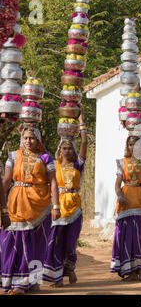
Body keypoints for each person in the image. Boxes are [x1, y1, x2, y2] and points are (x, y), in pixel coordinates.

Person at [1, 124, 60, 294]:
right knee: (10, 242)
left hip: (39, 206)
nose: (28, 141)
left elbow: (53, 182)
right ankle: (12, 281)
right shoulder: (13, 156)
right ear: (22, 139)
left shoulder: (45, 158)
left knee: (36, 244)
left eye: (32, 138)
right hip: (15, 203)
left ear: (38, 140)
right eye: (26, 138)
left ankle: (27, 283)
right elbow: (6, 181)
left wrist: (56, 205)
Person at [43, 112, 87, 287]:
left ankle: (70, 268)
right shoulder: (53, 165)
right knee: (55, 242)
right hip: (58, 208)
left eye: (70, 148)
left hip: (74, 210)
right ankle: (57, 277)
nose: (67, 151)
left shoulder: (78, 164)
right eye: (64, 148)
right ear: (59, 150)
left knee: (70, 243)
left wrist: (80, 121)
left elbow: (84, 142)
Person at [110, 135, 141, 281]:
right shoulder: (122, 162)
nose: (133, 147)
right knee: (125, 237)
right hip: (125, 204)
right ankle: (131, 270)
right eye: (130, 145)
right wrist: (119, 195)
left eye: (136, 145)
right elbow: (117, 184)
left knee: (139, 236)